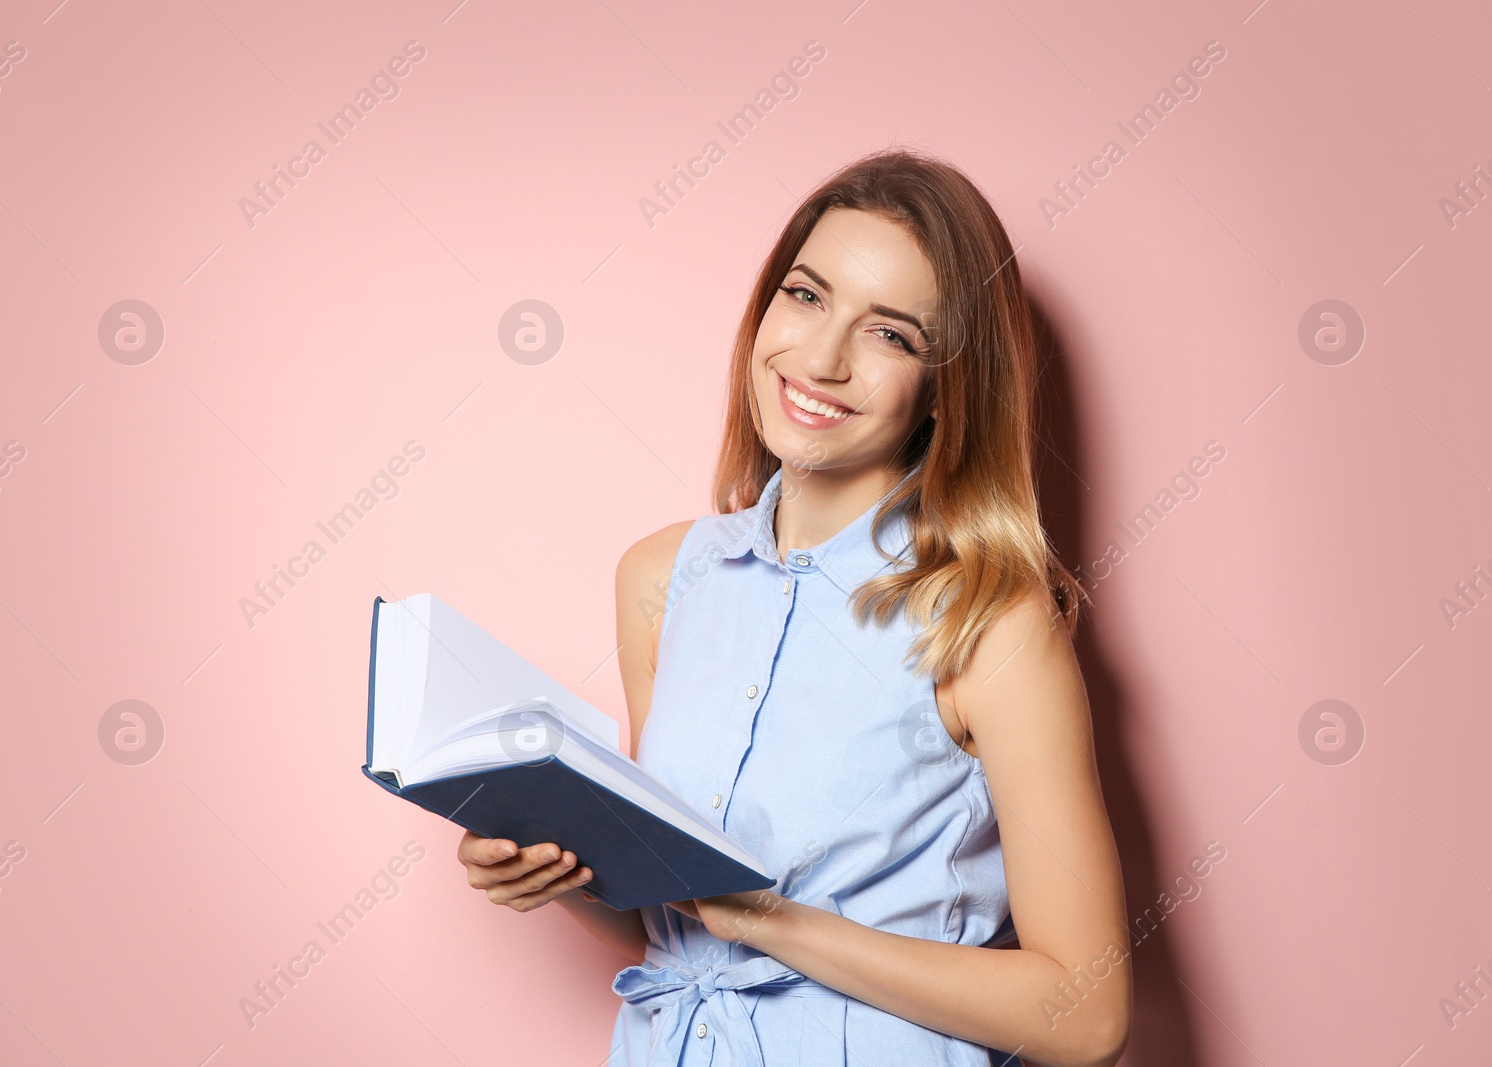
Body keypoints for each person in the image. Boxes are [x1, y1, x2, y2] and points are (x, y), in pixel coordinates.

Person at [456, 147, 1132, 1067]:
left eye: (891, 334)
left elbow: (1085, 1015)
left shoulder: (989, 623)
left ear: (946, 386)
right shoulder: (660, 579)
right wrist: (562, 872)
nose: (821, 358)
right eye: (807, 296)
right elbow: (673, 924)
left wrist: (780, 924)